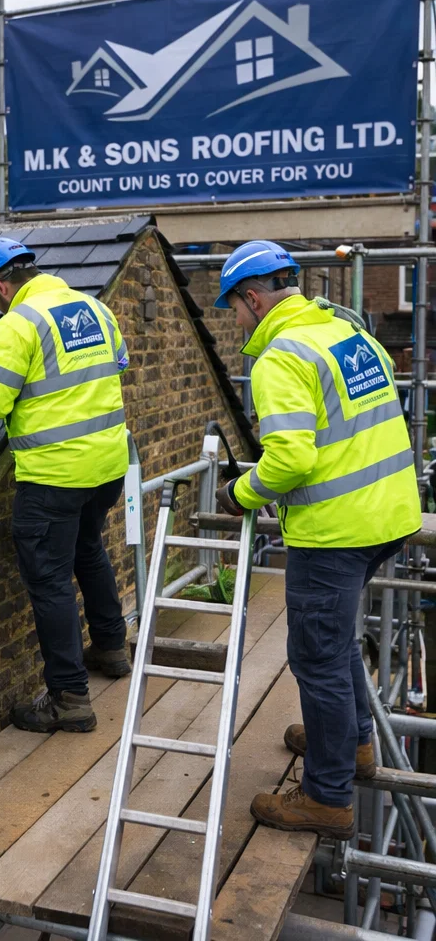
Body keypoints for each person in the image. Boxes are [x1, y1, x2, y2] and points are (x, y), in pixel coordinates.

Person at [213, 240, 421, 839]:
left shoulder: (281, 356)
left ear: (253, 299)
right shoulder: (348, 335)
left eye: (235, 307)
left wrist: (238, 493)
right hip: (388, 516)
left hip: (336, 531)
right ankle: (353, 744)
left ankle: (327, 798)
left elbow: (289, 461)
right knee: (335, 645)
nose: (236, 318)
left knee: (316, 656)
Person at [0, 236, 131, 734]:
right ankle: (112, 648)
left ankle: (70, 701)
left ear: (1, 285)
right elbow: (104, 368)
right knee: (90, 550)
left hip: (54, 478)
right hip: (106, 468)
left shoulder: (17, 323)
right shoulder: (93, 308)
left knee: (50, 582)